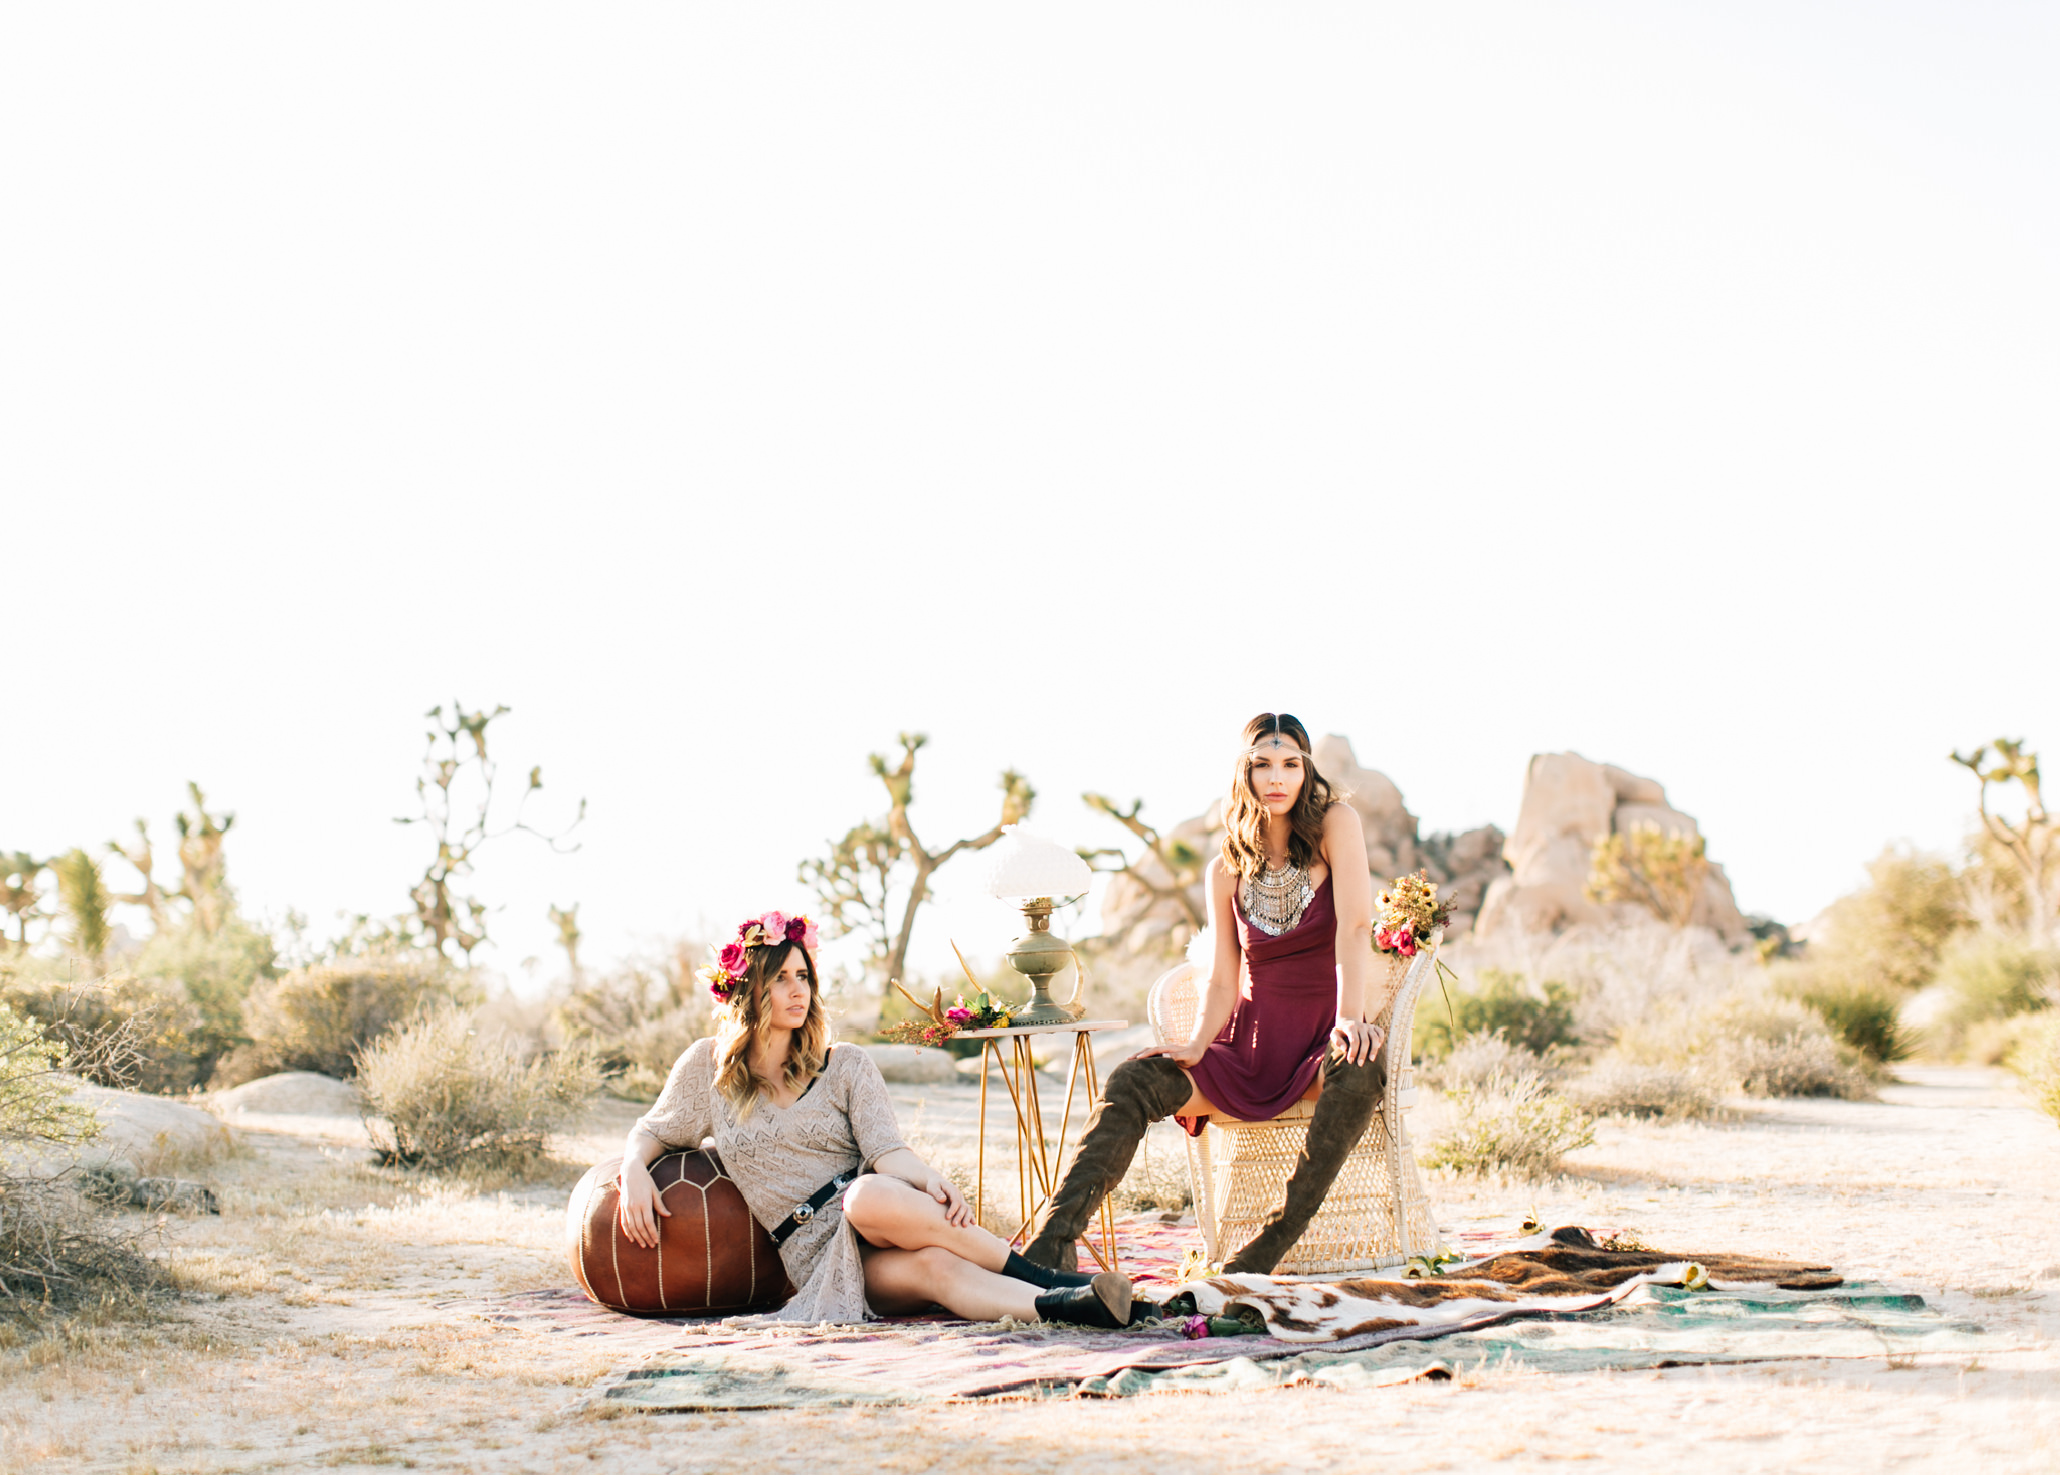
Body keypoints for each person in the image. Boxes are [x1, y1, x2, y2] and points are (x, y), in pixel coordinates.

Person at [616, 909, 1147, 1328]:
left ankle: (1045, 1277)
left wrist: (930, 1178)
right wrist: (634, 1171)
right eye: (781, 978)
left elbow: (886, 1152)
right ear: (750, 988)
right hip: (820, 1258)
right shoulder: (709, 1070)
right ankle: (1076, 1307)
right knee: (937, 1269)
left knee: (866, 1194)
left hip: (880, 1209)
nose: (799, 990)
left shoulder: (847, 1064)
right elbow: (653, 1131)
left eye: (804, 976)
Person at [1024, 711, 1390, 1274]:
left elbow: (1355, 927)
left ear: (1306, 769)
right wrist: (1195, 1043)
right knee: (1133, 1079)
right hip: (1250, 1050)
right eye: (1262, 764)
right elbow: (1223, 977)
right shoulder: (1226, 868)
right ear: (1243, 773)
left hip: (1320, 1041)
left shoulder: (1337, 824)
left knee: (1361, 1070)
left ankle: (1266, 1248)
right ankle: (1052, 1244)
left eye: (1291, 764)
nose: (1278, 778)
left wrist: (1349, 1018)